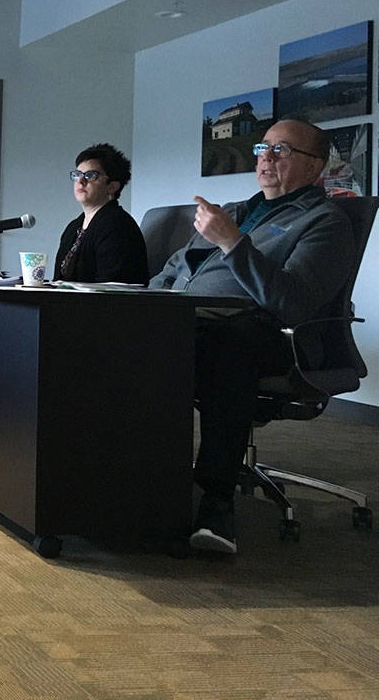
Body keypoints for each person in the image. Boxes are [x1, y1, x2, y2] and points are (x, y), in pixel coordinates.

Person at [150, 119, 354, 555]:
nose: (265, 157)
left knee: (232, 342)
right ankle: (126, 479)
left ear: (315, 167)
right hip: (190, 320)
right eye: (263, 148)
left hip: (274, 337)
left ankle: (216, 501)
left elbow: (291, 301)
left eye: (281, 151)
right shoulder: (238, 209)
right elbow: (174, 267)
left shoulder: (325, 223)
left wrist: (232, 243)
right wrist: (147, 302)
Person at [54, 142, 149, 284]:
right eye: (77, 174)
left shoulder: (117, 225)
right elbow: (58, 281)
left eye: (90, 175)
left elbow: (109, 288)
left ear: (112, 186)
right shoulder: (73, 227)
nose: (80, 181)